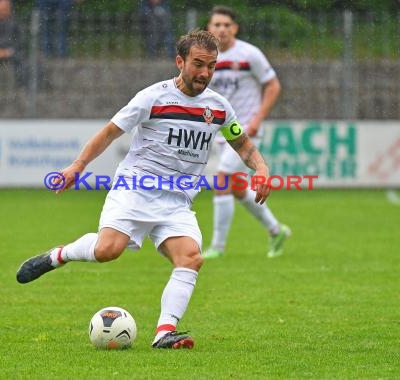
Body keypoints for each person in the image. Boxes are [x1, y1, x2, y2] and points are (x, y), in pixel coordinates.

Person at [15, 29, 272, 349]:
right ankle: (58, 255)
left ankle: (164, 332)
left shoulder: (218, 107)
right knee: (107, 251)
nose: (205, 73)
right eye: (198, 64)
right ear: (180, 62)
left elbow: (243, 144)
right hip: (135, 189)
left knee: (191, 258)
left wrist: (260, 168)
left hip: (177, 201)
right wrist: (78, 166)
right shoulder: (153, 97)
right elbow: (110, 132)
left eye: (211, 66)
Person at [203, 6, 289, 260]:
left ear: (235, 28)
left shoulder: (249, 54)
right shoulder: (207, 57)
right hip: (221, 131)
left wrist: (257, 120)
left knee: (221, 180)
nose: (221, 29)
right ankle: (276, 230)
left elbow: (273, 85)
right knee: (238, 188)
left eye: (226, 25)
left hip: (246, 131)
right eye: (217, 24)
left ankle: (217, 248)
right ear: (209, 28)